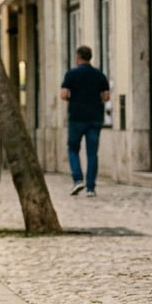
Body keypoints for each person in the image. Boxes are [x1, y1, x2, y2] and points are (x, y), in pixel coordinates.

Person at [61, 45, 110, 197]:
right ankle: (90, 188)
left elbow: (63, 95)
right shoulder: (99, 75)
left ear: (78, 57)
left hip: (76, 117)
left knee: (73, 148)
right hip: (95, 117)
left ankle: (77, 180)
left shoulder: (71, 74)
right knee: (92, 153)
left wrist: (74, 99)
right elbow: (106, 96)